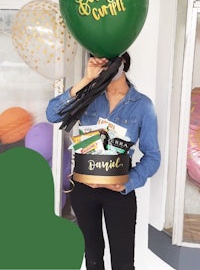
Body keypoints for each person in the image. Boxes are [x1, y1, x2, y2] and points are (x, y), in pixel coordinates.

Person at [46, 52, 161, 270]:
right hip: (84, 190)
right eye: (99, 59)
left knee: (123, 263)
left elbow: (153, 156)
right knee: (92, 259)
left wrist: (127, 183)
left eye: (109, 61)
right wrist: (86, 80)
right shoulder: (87, 95)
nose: (104, 65)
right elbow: (52, 114)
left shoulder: (142, 106)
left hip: (119, 193)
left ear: (123, 62)